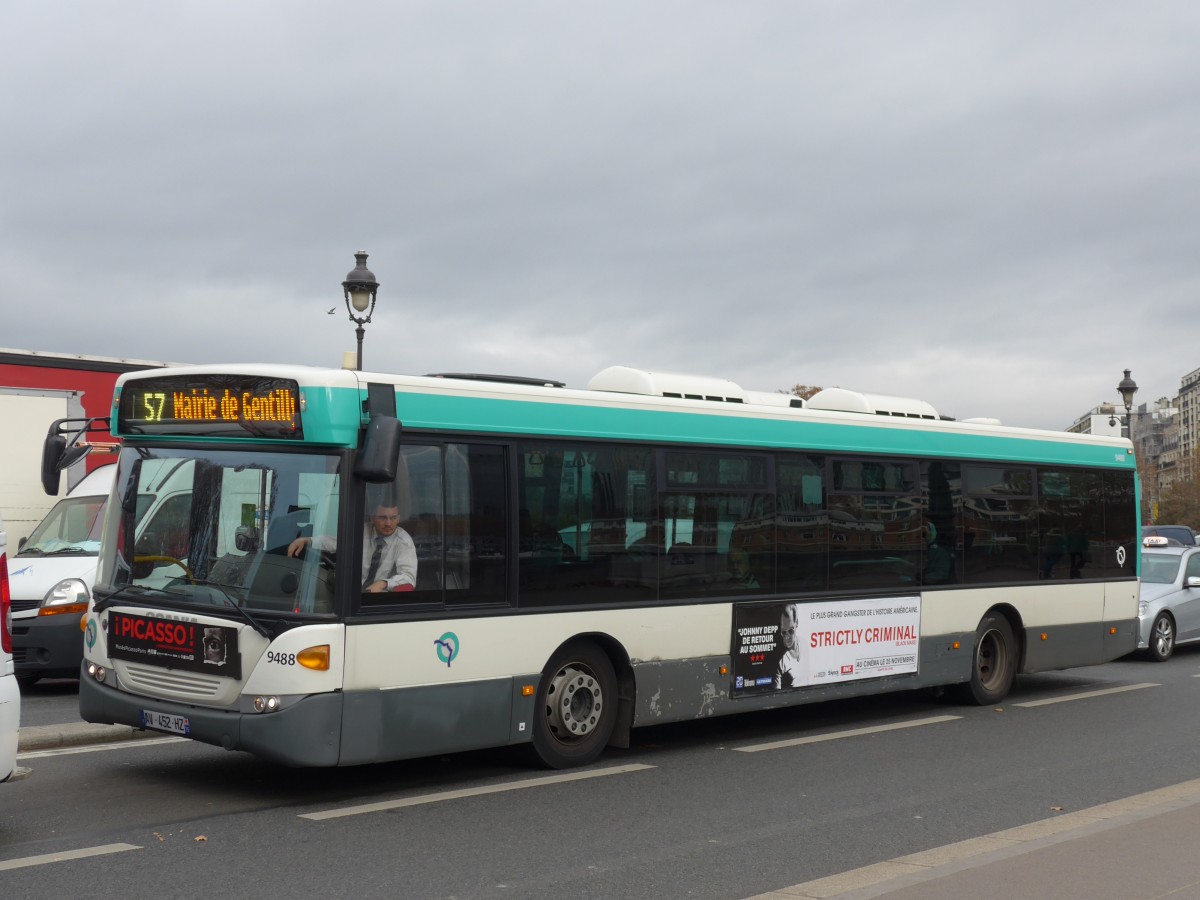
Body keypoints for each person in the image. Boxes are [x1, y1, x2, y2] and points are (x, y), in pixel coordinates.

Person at [288, 503, 417, 593]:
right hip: (352, 595)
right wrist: (308, 540)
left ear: (398, 519)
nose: (388, 523)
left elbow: (408, 577)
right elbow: (336, 542)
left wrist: (383, 583)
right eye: (383, 517)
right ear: (373, 518)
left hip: (380, 599)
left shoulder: (404, 541)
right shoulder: (363, 530)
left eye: (393, 518)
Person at [775, 603, 803, 689]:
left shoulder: (805, 644)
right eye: (784, 632)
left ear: (796, 623)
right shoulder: (780, 663)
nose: (787, 637)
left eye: (791, 631)